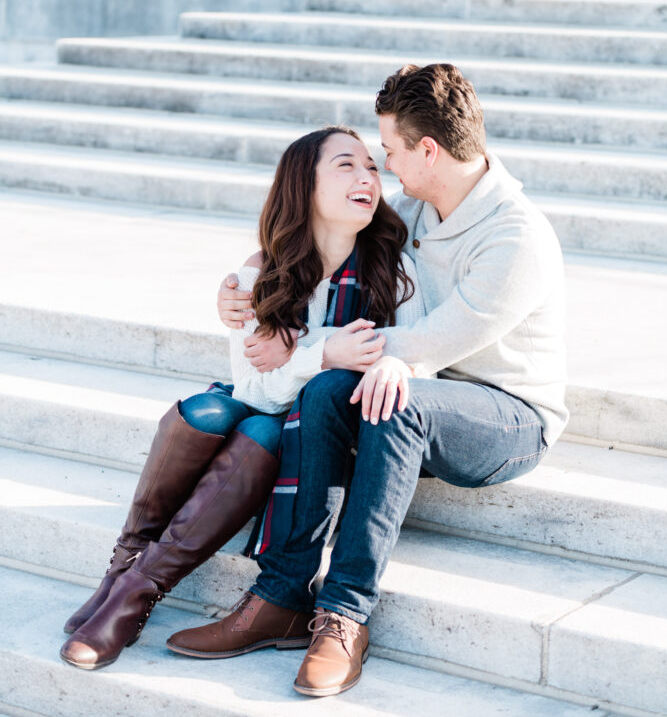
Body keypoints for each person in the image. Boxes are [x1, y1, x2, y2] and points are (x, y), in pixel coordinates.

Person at [173, 63, 568, 698]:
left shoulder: (516, 237)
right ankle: (279, 596)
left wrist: (320, 348)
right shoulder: (413, 209)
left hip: (507, 417)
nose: (384, 167)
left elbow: (436, 342)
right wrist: (248, 284)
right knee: (327, 391)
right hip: (413, 387)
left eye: (389, 151)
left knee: (392, 396)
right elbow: (317, 232)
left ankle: (345, 615)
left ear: (429, 150)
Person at [59, 126, 424, 671]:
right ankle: (126, 573)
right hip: (267, 407)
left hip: (326, 436)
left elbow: (392, 357)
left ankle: (134, 590)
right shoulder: (261, 272)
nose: (367, 177)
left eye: (372, 167)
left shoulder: (394, 270)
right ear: (304, 186)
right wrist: (326, 353)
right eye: (346, 165)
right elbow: (257, 388)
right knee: (208, 410)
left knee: (259, 429)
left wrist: (306, 352)